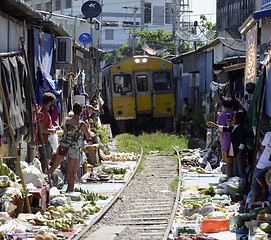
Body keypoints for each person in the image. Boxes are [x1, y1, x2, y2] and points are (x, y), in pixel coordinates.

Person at [49, 102, 90, 192]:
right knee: (70, 171)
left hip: (64, 145)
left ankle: (47, 184)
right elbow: (87, 135)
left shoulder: (67, 120)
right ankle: (70, 189)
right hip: (74, 148)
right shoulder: (81, 124)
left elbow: (65, 131)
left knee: (54, 166)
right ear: (80, 112)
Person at [207, 110, 247, 179]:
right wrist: (214, 125)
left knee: (241, 173)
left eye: (234, 116)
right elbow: (225, 128)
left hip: (239, 154)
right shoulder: (235, 127)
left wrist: (239, 153)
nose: (233, 118)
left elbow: (242, 142)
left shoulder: (241, 129)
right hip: (235, 153)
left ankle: (242, 187)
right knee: (236, 173)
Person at [38, 92, 57, 174]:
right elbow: (42, 129)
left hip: (47, 140)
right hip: (45, 141)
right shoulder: (44, 113)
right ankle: (44, 175)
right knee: (44, 161)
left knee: (47, 160)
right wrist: (52, 130)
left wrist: (52, 127)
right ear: (49, 102)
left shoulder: (45, 112)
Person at [250, 131, 271, 202]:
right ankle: (250, 210)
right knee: (254, 189)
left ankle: (266, 192)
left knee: (259, 176)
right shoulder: (268, 134)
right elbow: (263, 149)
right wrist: (258, 159)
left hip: (268, 166)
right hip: (261, 164)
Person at [217, 99, 235, 179]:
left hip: (226, 139)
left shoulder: (221, 116)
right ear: (232, 105)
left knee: (228, 161)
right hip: (236, 139)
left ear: (223, 107)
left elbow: (220, 130)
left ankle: (228, 178)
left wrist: (222, 141)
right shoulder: (235, 114)